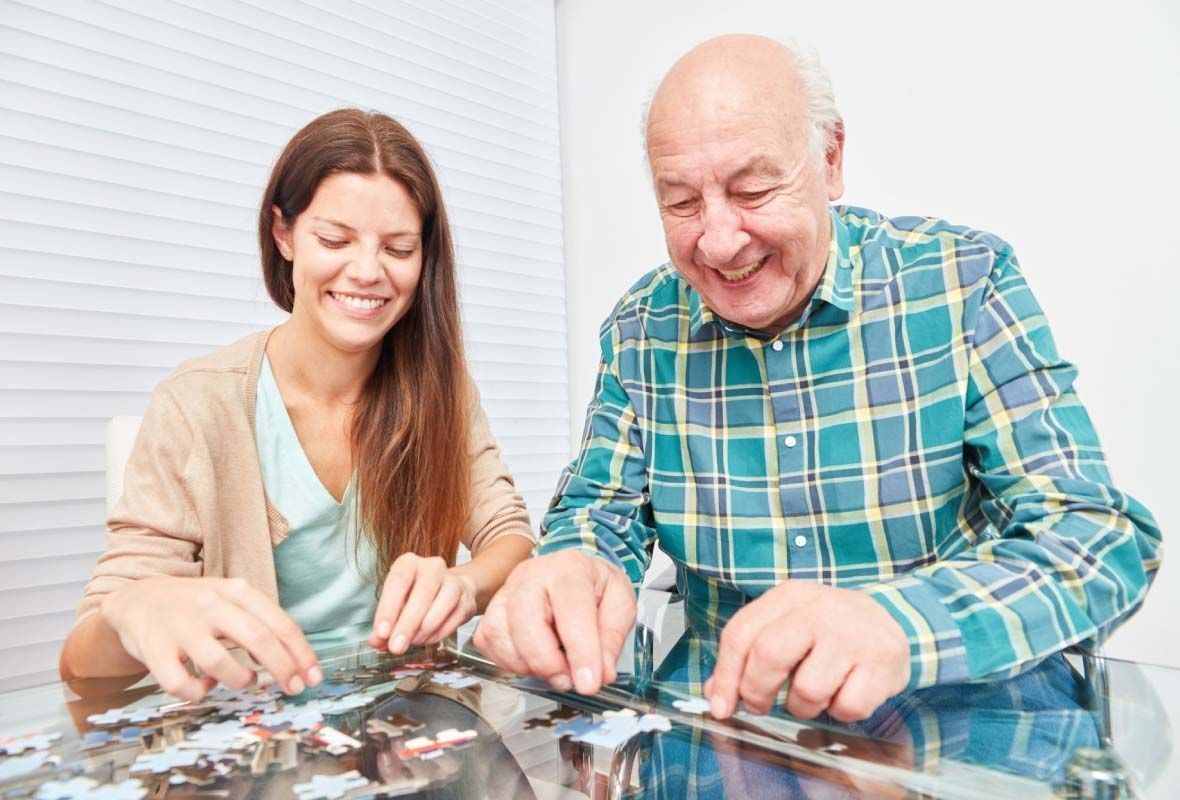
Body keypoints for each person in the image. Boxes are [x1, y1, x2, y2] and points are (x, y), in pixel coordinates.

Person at [473, 35, 1162, 722]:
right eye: (680, 201)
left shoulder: (962, 285)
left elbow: (1097, 542)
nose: (718, 241)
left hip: (947, 732)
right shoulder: (641, 327)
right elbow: (599, 514)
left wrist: (899, 625)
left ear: (829, 159)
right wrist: (574, 565)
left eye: (752, 189)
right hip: (726, 737)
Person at [59, 109, 535, 701]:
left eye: (398, 248)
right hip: (255, 753)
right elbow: (82, 665)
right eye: (334, 240)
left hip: (410, 744)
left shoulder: (444, 390)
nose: (366, 271)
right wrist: (133, 606)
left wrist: (464, 586)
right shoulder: (197, 402)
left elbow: (510, 537)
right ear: (283, 234)